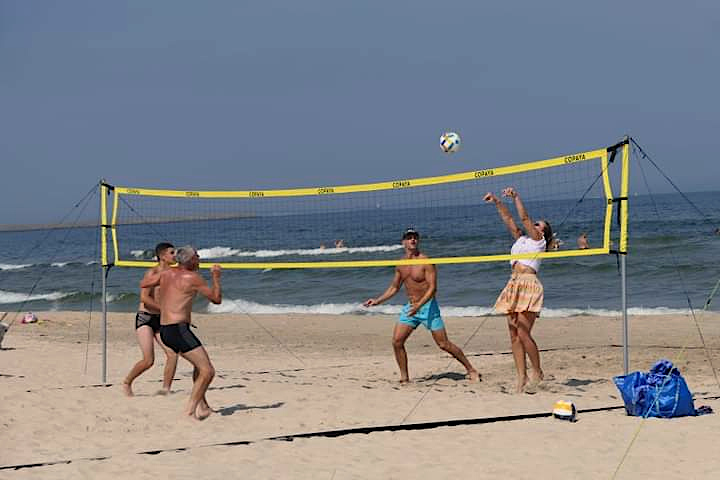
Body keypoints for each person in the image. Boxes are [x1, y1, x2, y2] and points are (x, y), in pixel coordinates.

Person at [363, 228, 480, 384]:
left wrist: (420, 305)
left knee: (443, 344)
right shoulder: (401, 264)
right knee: (397, 342)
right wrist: (378, 300)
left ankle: (471, 369)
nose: (412, 240)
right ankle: (404, 378)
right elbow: (394, 287)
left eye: (415, 238)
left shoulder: (425, 261)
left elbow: (433, 288)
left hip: (427, 307)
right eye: (409, 238)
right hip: (411, 307)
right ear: (403, 242)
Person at [140, 246, 222, 420]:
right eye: (197, 256)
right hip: (178, 329)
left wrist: (163, 279)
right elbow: (216, 299)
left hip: (166, 330)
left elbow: (144, 284)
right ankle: (190, 411)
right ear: (191, 260)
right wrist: (216, 277)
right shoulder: (193, 278)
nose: (199, 259)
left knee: (199, 367)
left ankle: (204, 406)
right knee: (208, 371)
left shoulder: (166, 273)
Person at [484, 187, 553, 393]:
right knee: (514, 335)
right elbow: (509, 219)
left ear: (543, 232)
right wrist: (497, 201)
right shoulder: (521, 240)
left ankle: (537, 371)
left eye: (538, 224)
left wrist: (516, 197)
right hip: (513, 283)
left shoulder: (538, 241)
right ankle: (521, 377)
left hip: (529, 284)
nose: (534, 224)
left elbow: (523, 217)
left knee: (523, 333)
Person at [123, 242, 179, 397]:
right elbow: (144, 298)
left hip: (162, 319)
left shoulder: (173, 273)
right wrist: (164, 309)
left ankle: (165, 389)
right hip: (145, 319)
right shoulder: (152, 273)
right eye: (172, 253)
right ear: (162, 256)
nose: (175, 255)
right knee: (148, 360)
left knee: (172, 354)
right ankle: (127, 382)